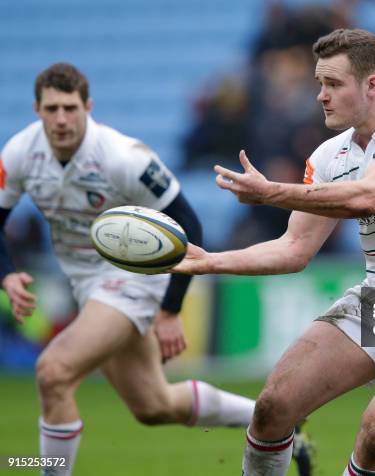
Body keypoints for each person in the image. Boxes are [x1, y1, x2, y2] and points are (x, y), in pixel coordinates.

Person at [173, 28, 375, 476]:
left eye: (333, 84)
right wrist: (210, 261)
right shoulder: (330, 156)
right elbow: (293, 249)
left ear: (371, 84)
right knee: (272, 407)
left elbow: (369, 197)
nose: (322, 96)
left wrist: (271, 193)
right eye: (319, 85)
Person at [0, 63, 312, 476]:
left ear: (87, 107)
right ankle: (275, 424)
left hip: (133, 277)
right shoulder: (20, 153)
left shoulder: (121, 156)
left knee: (53, 372)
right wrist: (6, 272)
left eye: (70, 108)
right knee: (153, 405)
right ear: (37, 109)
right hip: (85, 284)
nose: (61, 119)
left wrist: (170, 309)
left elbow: (189, 221)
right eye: (52, 108)